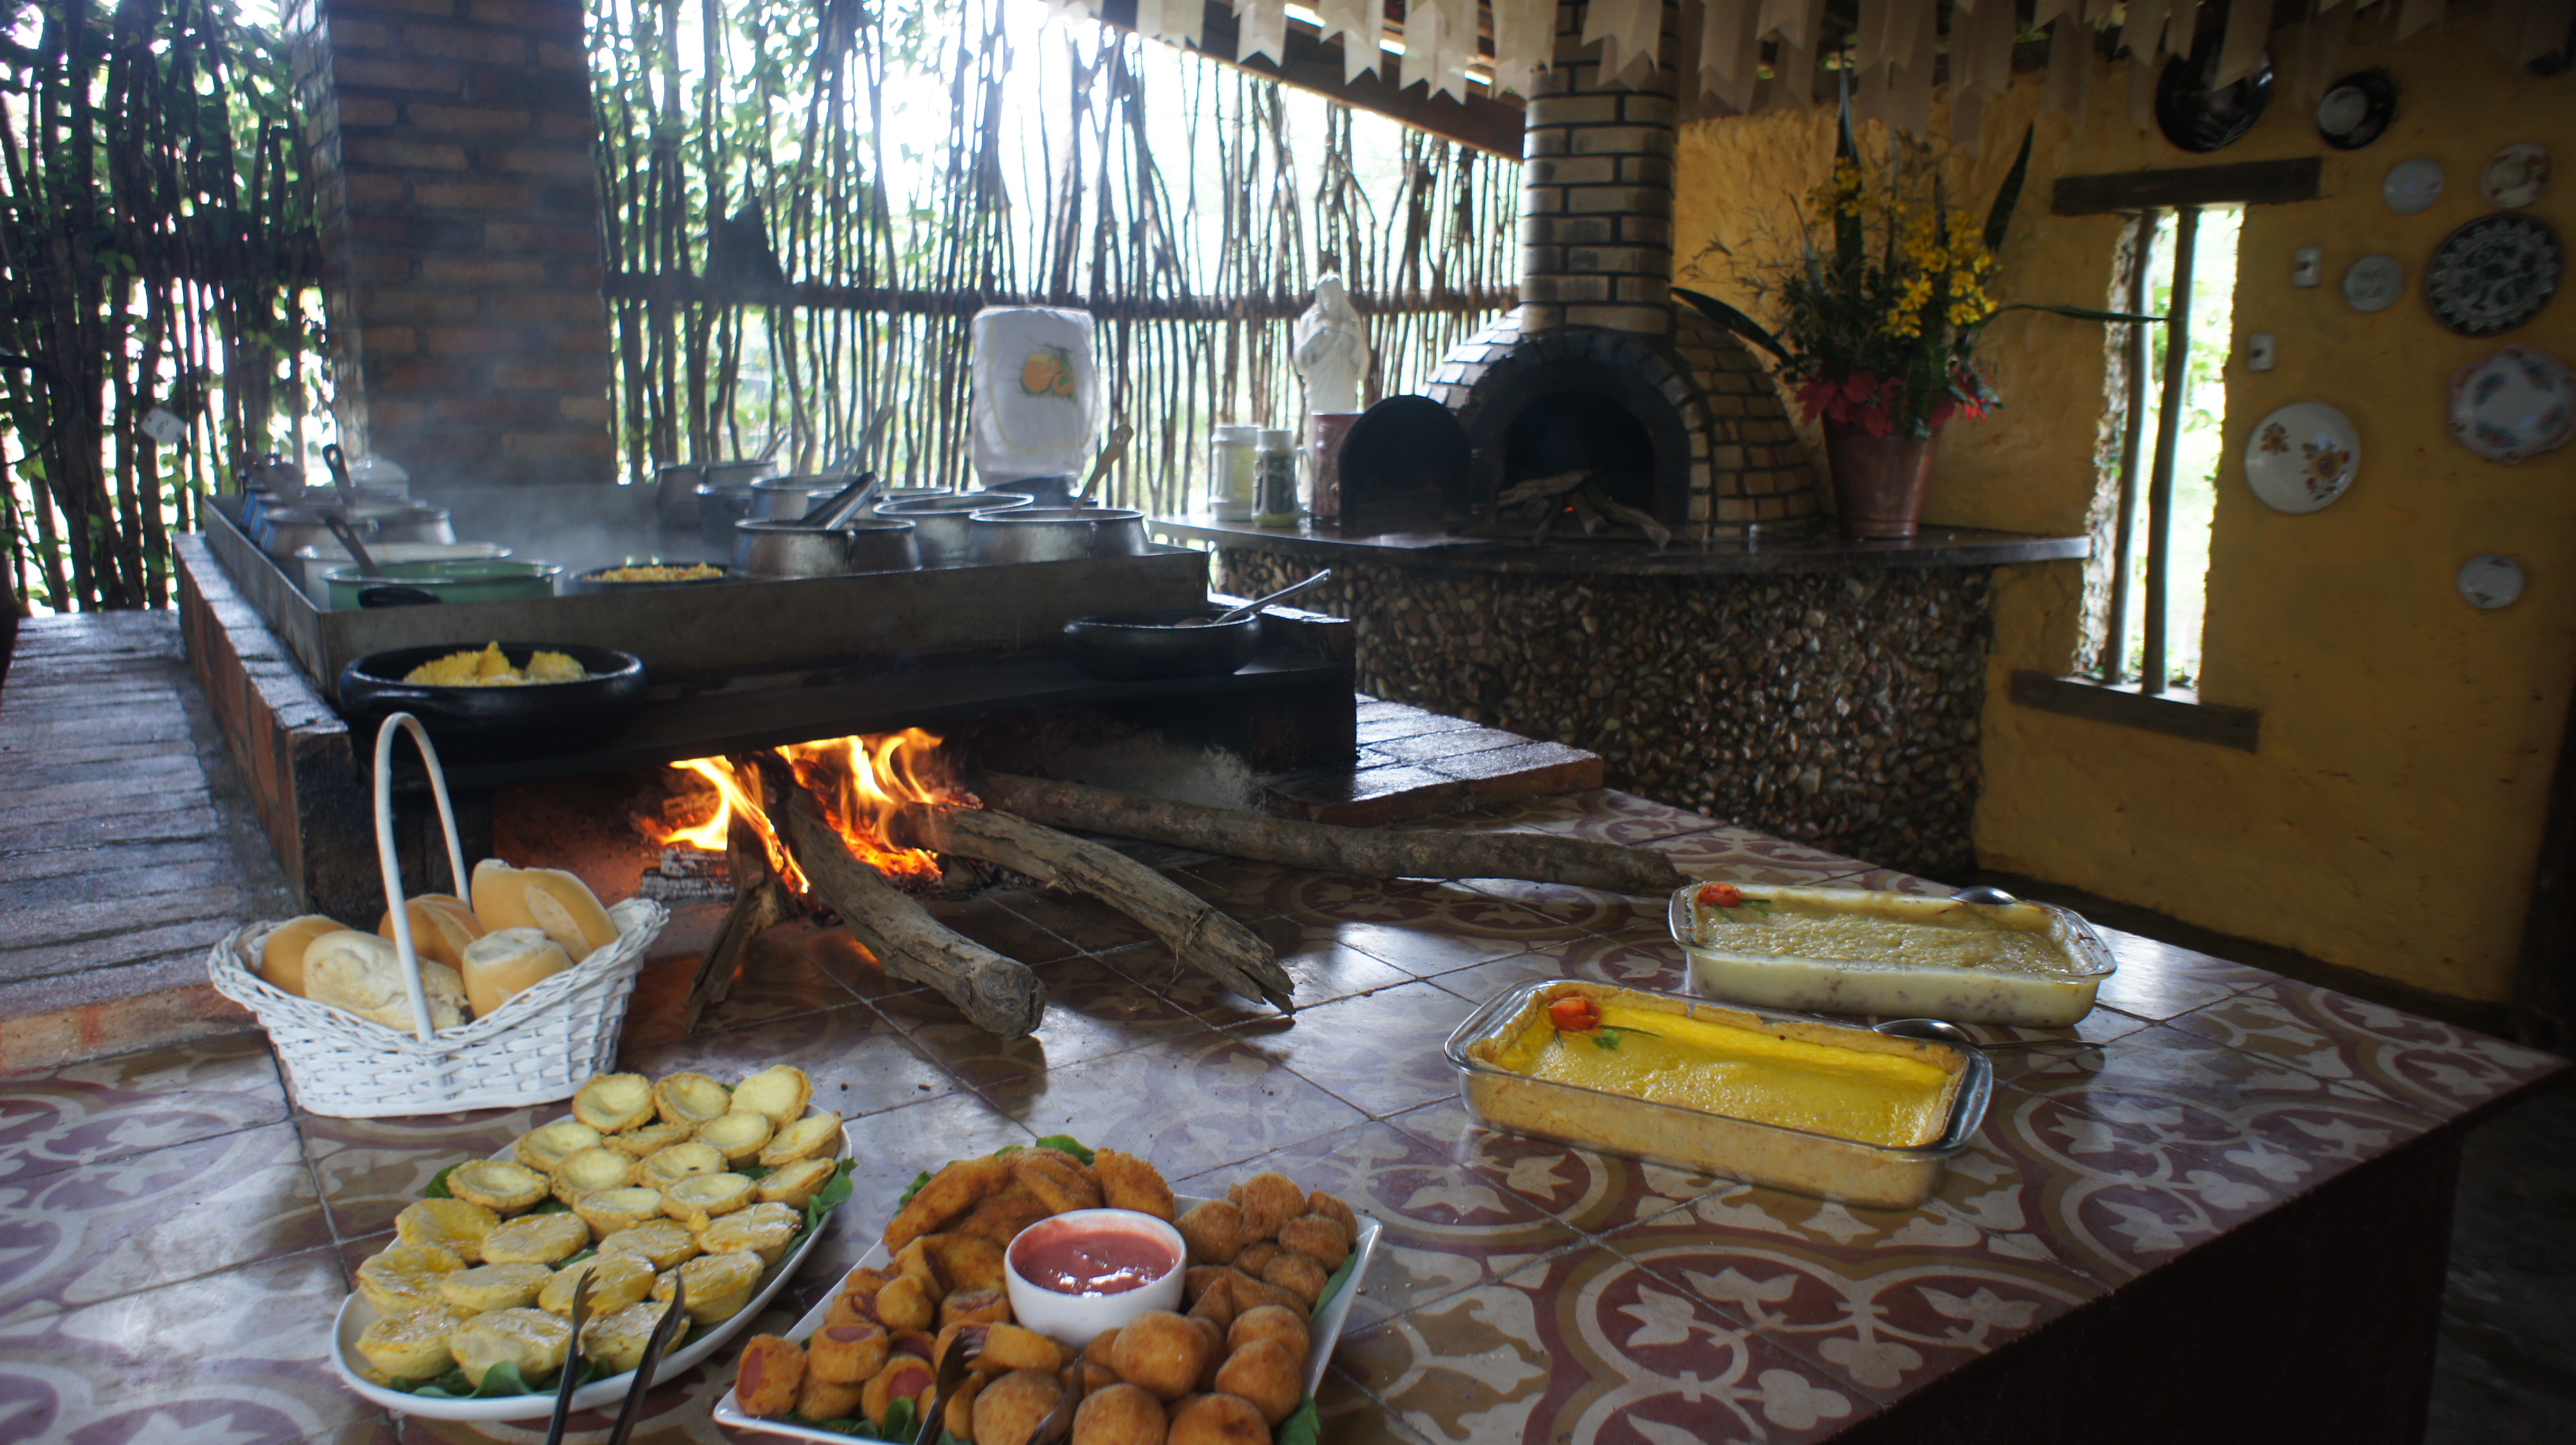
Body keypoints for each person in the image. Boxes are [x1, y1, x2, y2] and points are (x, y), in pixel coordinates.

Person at [1291, 276, 1370, 417]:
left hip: (1343, 383)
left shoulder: (1351, 320)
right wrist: (1313, 338)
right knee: (1317, 421)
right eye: (1325, 294)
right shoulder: (1309, 320)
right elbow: (1300, 361)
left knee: (1343, 421)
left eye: (1333, 294)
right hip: (1319, 384)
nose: (1329, 299)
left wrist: (1354, 335)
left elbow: (1362, 362)